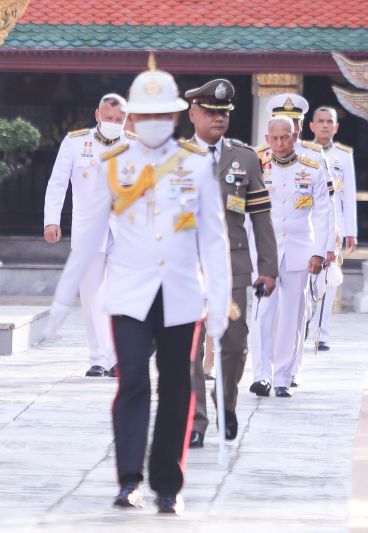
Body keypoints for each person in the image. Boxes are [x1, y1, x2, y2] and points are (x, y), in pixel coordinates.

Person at [45, 63, 231, 513]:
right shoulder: (113, 165)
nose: (151, 124)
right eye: (143, 116)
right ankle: (129, 479)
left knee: (175, 387)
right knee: (131, 383)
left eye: (159, 116)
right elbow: (88, 237)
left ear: (173, 117)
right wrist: (62, 297)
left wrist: (220, 302)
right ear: (133, 120)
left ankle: (167, 484)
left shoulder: (196, 164)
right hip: (128, 291)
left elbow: (214, 237)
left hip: (182, 294)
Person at [184, 79, 278, 448]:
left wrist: (267, 267)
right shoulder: (176, 157)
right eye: (211, 112)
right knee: (189, 347)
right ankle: (195, 419)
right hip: (188, 266)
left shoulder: (245, 158)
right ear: (193, 114)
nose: (218, 119)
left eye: (223, 113)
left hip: (232, 264)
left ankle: (226, 404)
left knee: (234, 344)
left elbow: (260, 217)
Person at [43, 93, 131, 377]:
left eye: (120, 119)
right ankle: (98, 358)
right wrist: (51, 221)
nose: (114, 123)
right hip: (88, 227)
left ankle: (118, 357)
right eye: (109, 118)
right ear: (97, 115)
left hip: (126, 230)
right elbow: (58, 183)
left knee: (122, 295)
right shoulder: (75, 141)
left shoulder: (136, 145)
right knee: (91, 294)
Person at [250, 115, 329, 399]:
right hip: (265, 251)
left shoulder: (312, 167)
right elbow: (250, 212)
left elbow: (323, 213)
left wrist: (319, 251)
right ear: (268, 139)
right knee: (262, 313)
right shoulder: (257, 166)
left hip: (298, 249)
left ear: (295, 136)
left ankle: (283, 376)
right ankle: (262, 375)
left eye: (286, 137)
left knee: (292, 317)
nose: (281, 143)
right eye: (275, 138)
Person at [308, 105, 358, 351]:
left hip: (334, 226)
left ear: (336, 127)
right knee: (307, 277)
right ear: (312, 126)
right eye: (321, 121)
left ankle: (322, 332)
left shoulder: (344, 156)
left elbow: (348, 196)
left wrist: (351, 231)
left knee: (328, 279)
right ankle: (305, 321)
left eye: (330, 121)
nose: (325, 125)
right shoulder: (303, 153)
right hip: (308, 223)